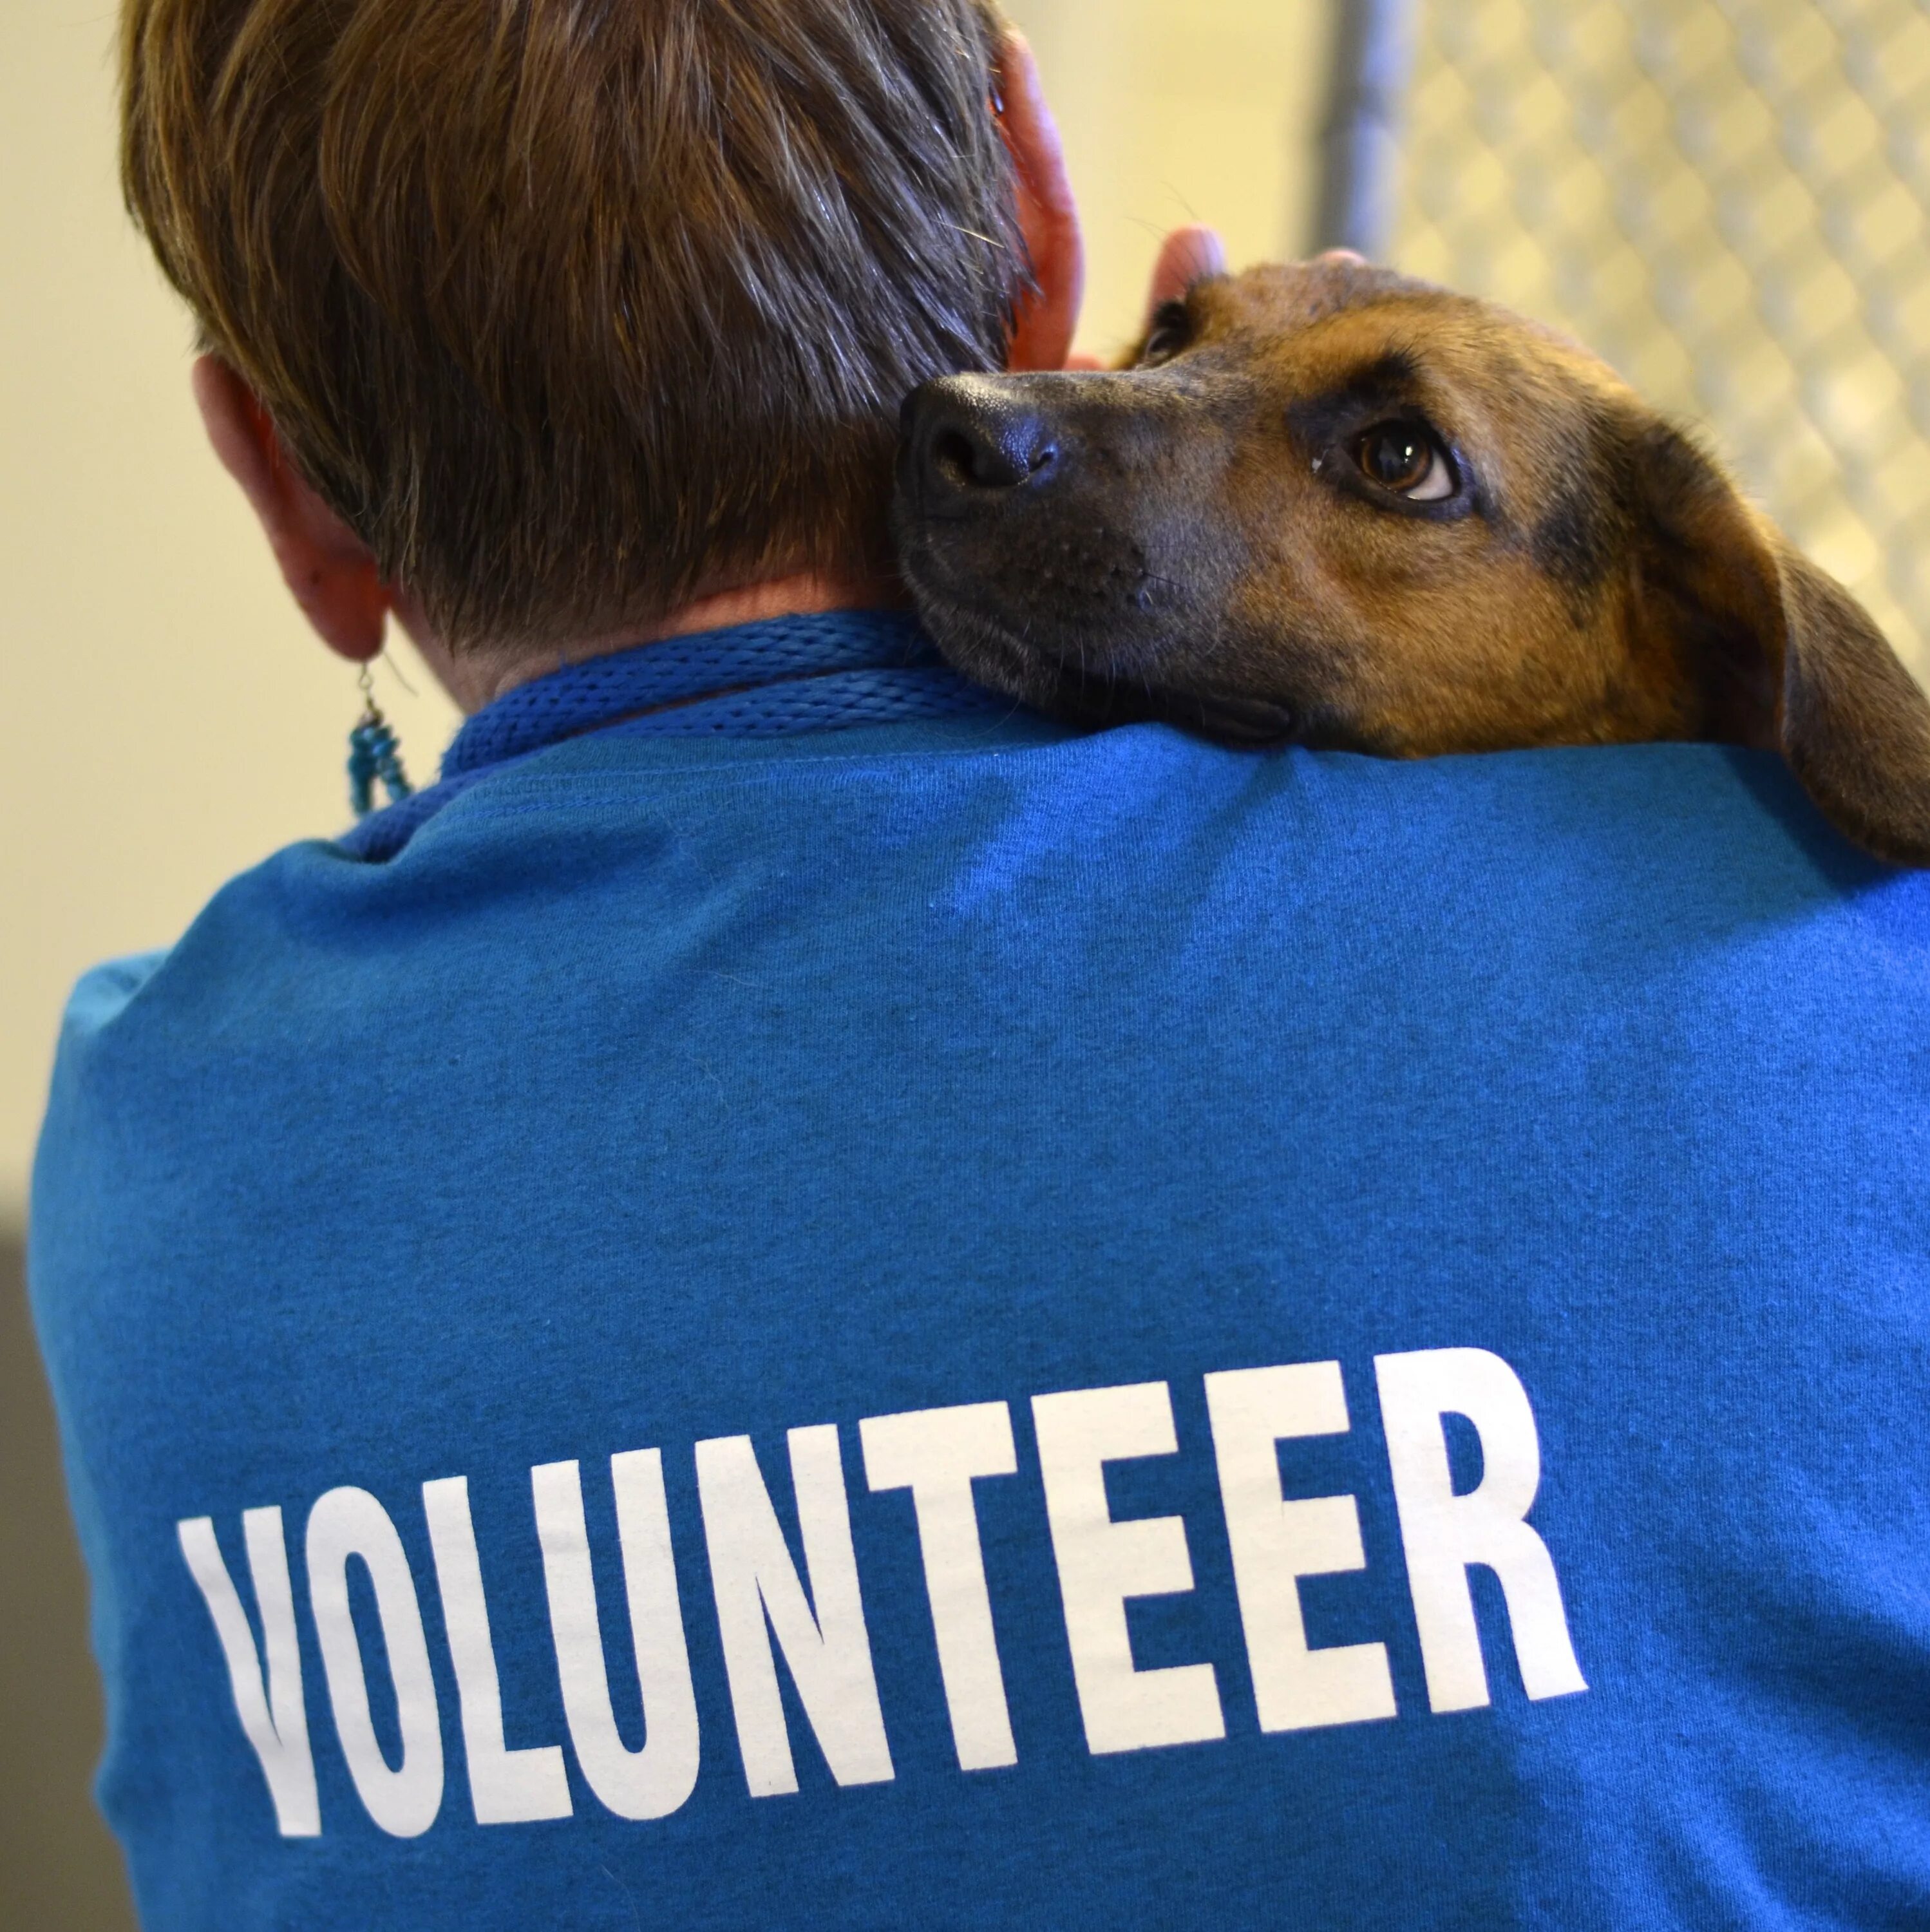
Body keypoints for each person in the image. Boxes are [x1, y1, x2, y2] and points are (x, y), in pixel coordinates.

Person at [28, 0, 1929, 1924]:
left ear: (285, 490)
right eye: (1182, 347)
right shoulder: (1823, 981)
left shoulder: (144, 1147)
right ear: (1043, 209)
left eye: (1389, 460)